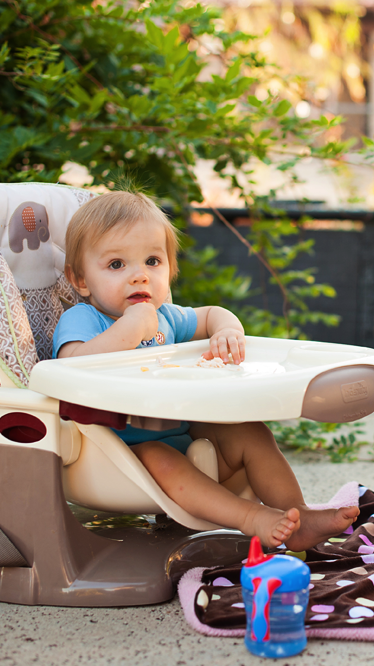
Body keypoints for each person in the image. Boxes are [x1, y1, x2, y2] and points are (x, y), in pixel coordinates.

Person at [53, 190, 358, 549]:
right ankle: (251, 517)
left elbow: (213, 314)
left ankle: (298, 515)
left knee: (251, 432)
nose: (140, 277)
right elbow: (70, 368)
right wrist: (131, 328)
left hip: (186, 437)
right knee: (159, 456)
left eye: (153, 261)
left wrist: (228, 331)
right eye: (117, 265)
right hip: (118, 456)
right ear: (81, 280)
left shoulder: (167, 318)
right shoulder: (83, 319)